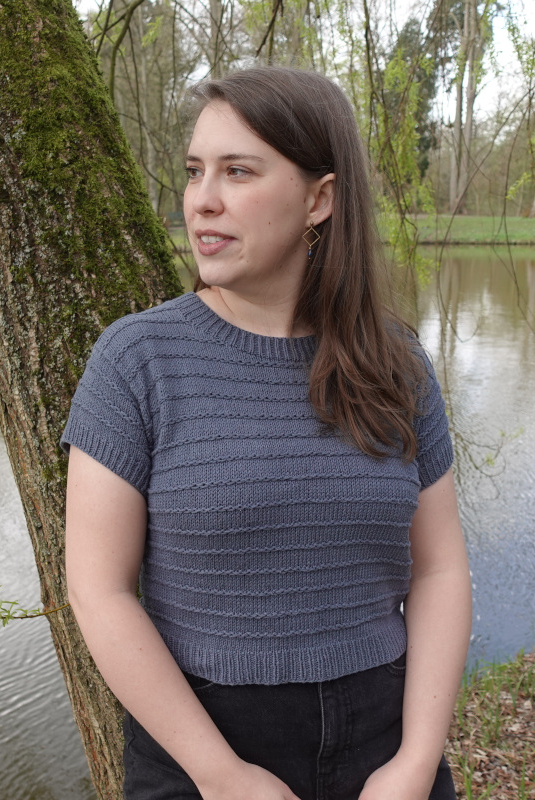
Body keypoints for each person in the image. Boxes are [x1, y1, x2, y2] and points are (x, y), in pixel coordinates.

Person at [61, 66, 472, 800]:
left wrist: (415, 761)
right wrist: (221, 777)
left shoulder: (397, 364)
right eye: (194, 172)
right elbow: (98, 590)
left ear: (320, 198)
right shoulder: (136, 362)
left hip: (386, 740)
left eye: (237, 171)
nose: (201, 201)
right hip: (202, 750)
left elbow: (439, 570)